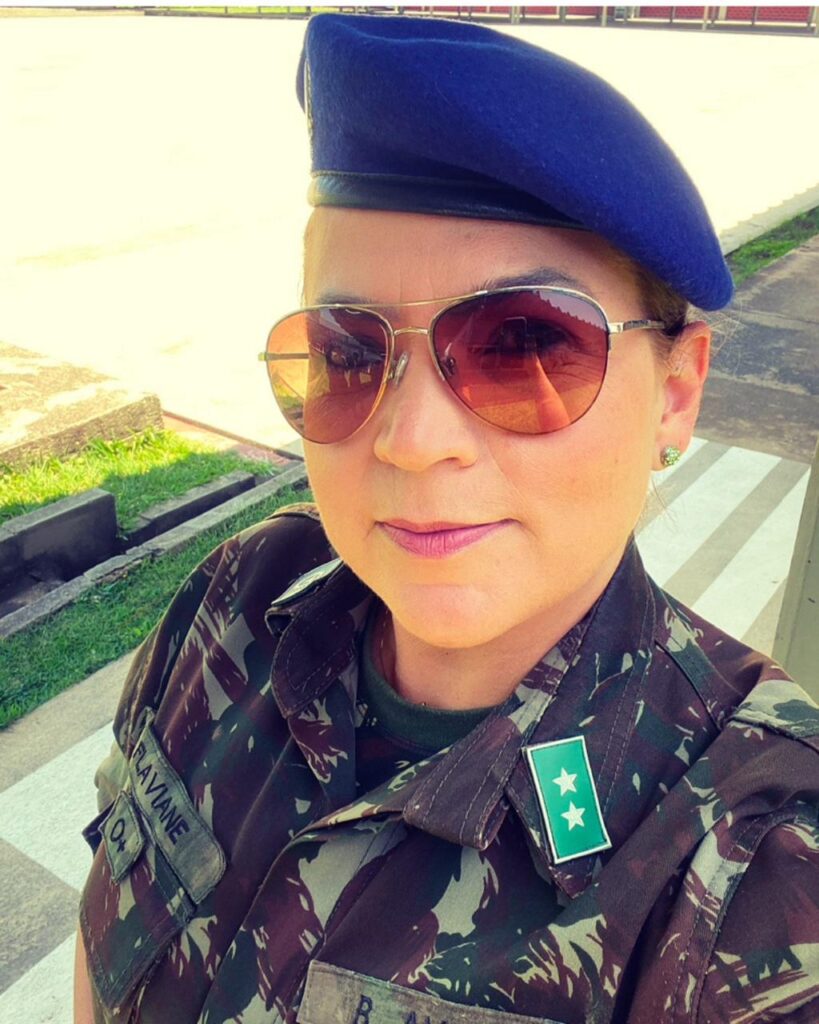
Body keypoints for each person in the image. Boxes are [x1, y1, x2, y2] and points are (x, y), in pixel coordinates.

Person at [74, 13, 819, 1024]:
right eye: (348, 351)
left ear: (675, 394)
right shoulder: (234, 604)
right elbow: (102, 941)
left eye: (524, 345)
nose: (411, 440)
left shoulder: (756, 864)